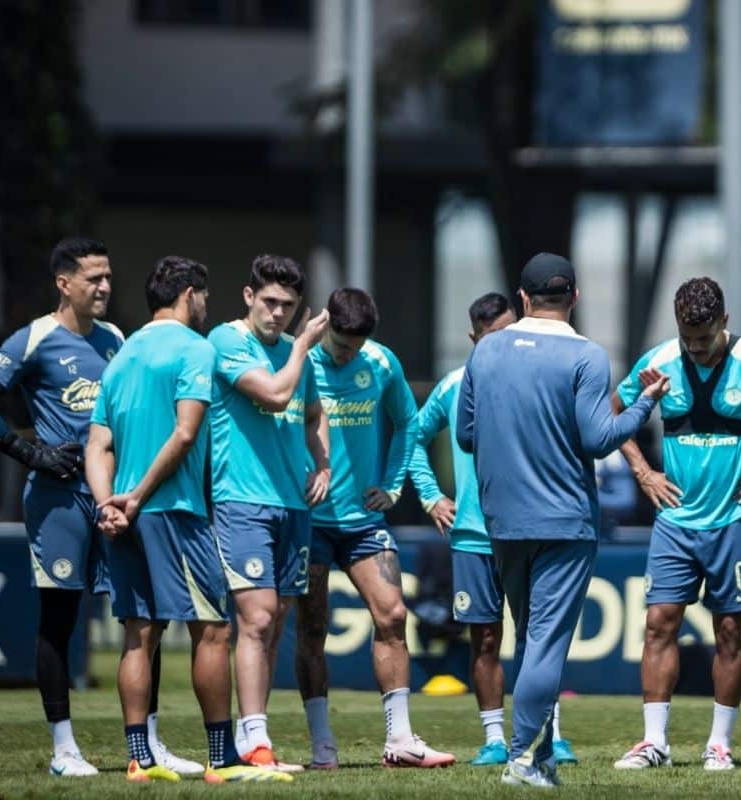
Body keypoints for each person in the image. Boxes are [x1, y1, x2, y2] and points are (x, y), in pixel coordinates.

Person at [0, 236, 197, 776]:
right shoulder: (35, 338)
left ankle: (149, 744)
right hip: (59, 500)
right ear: (64, 283)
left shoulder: (116, 339)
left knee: (143, 618)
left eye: (109, 276)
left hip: (115, 498)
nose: (106, 286)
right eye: (94, 278)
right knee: (60, 619)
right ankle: (64, 750)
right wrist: (28, 452)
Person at [457, 252, 669, 787]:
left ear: (522, 298)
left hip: (501, 521)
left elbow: (464, 433)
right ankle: (524, 761)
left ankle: (537, 757)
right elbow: (599, 440)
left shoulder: (485, 353)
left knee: (528, 639)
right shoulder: (587, 356)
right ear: (574, 298)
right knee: (546, 644)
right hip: (564, 522)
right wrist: (644, 404)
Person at [85, 256, 289, 784]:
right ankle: (223, 759)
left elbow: (98, 443)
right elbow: (184, 433)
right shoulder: (196, 348)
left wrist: (109, 503)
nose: (206, 306)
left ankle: (139, 758)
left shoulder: (121, 354)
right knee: (214, 632)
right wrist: (137, 498)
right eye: (203, 296)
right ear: (189, 295)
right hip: (172, 511)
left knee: (138, 635)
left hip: (125, 515)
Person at [611, 276, 741, 772]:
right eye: (688, 338)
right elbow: (613, 410)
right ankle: (654, 743)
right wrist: (643, 472)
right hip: (675, 521)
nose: (697, 348)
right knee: (658, 624)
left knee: (729, 631)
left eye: (705, 338)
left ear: (724, 322)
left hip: (735, 520)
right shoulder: (660, 360)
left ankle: (719, 745)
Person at [410, 291, 587, 767]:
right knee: (485, 637)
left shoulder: (538, 378)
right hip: (473, 533)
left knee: (537, 637)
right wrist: (430, 496)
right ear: (474, 339)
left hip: (527, 526)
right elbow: (413, 436)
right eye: (490, 337)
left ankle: (548, 735)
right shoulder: (452, 386)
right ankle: (493, 738)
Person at [294, 287, 452, 769]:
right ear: (326, 326)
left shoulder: (381, 363)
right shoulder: (297, 359)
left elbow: (408, 424)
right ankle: (322, 742)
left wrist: (392, 484)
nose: (348, 355)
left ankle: (400, 739)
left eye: (356, 347)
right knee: (312, 629)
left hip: (364, 521)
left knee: (393, 615)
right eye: (342, 345)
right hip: (310, 521)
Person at [204, 255, 330, 771]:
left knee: (275, 624)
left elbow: (313, 412)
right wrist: (303, 344)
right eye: (270, 302)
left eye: (288, 306)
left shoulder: (295, 356)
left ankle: (250, 731)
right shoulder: (227, 341)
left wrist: (321, 463)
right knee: (254, 618)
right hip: (242, 501)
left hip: (291, 505)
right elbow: (278, 396)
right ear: (248, 295)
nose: (278, 314)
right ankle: (256, 743)